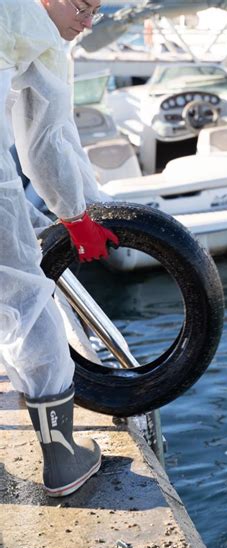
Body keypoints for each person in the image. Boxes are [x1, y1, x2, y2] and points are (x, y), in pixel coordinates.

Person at [0, 0, 119, 497]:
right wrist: (77, 213)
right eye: (82, 6)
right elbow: (46, 140)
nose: (87, 22)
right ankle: (63, 459)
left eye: (96, 12)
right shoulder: (34, 27)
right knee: (24, 295)